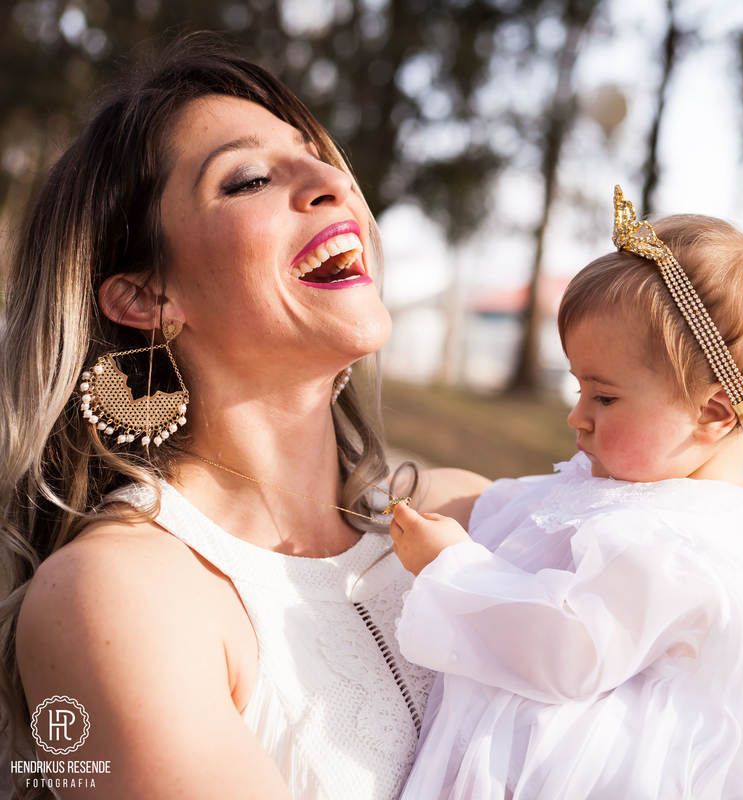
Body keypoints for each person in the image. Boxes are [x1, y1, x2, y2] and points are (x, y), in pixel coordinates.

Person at [0, 39, 489, 800]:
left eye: (319, 158)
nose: (334, 183)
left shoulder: (476, 513)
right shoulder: (119, 594)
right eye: (250, 179)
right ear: (147, 297)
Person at [388, 187, 743, 799]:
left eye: (604, 396)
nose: (577, 416)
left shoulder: (676, 547)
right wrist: (451, 501)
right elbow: (535, 512)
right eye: (579, 388)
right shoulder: (650, 492)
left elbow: (570, 647)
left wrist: (453, 568)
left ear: (714, 413)